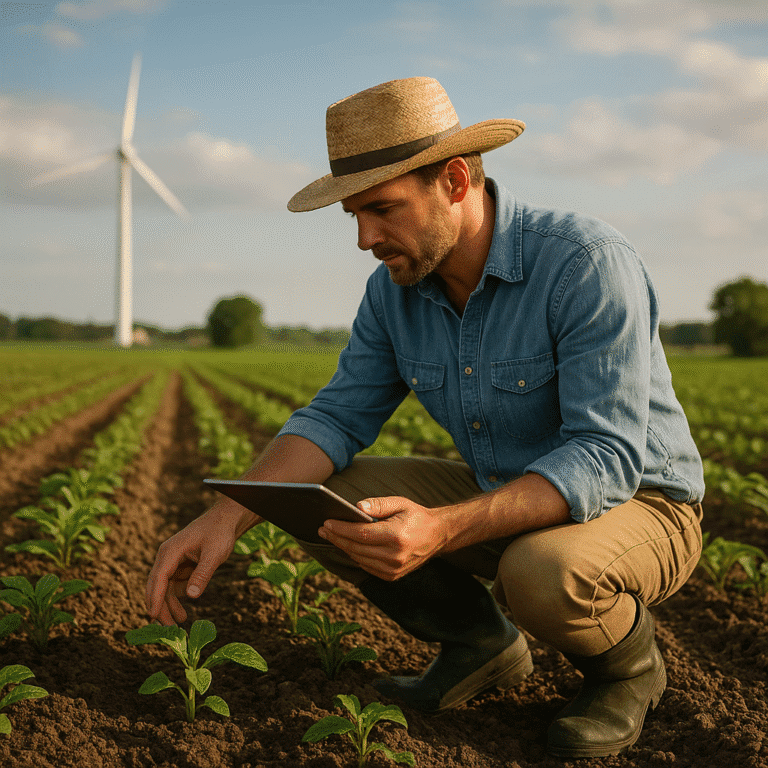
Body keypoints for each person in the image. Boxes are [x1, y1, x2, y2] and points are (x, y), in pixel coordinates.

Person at [146, 77, 705, 759]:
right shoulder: (395, 293)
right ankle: (479, 644)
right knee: (313, 501)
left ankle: (628, 671)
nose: (364, 238)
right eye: (353, 215)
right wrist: (226, 514)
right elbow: (336, 416)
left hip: (642, 504)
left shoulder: (583, 264)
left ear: (456, 180)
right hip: (511, 493)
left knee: (540, 570)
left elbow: (606, 457)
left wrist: (441, 529)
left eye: (382, 209)